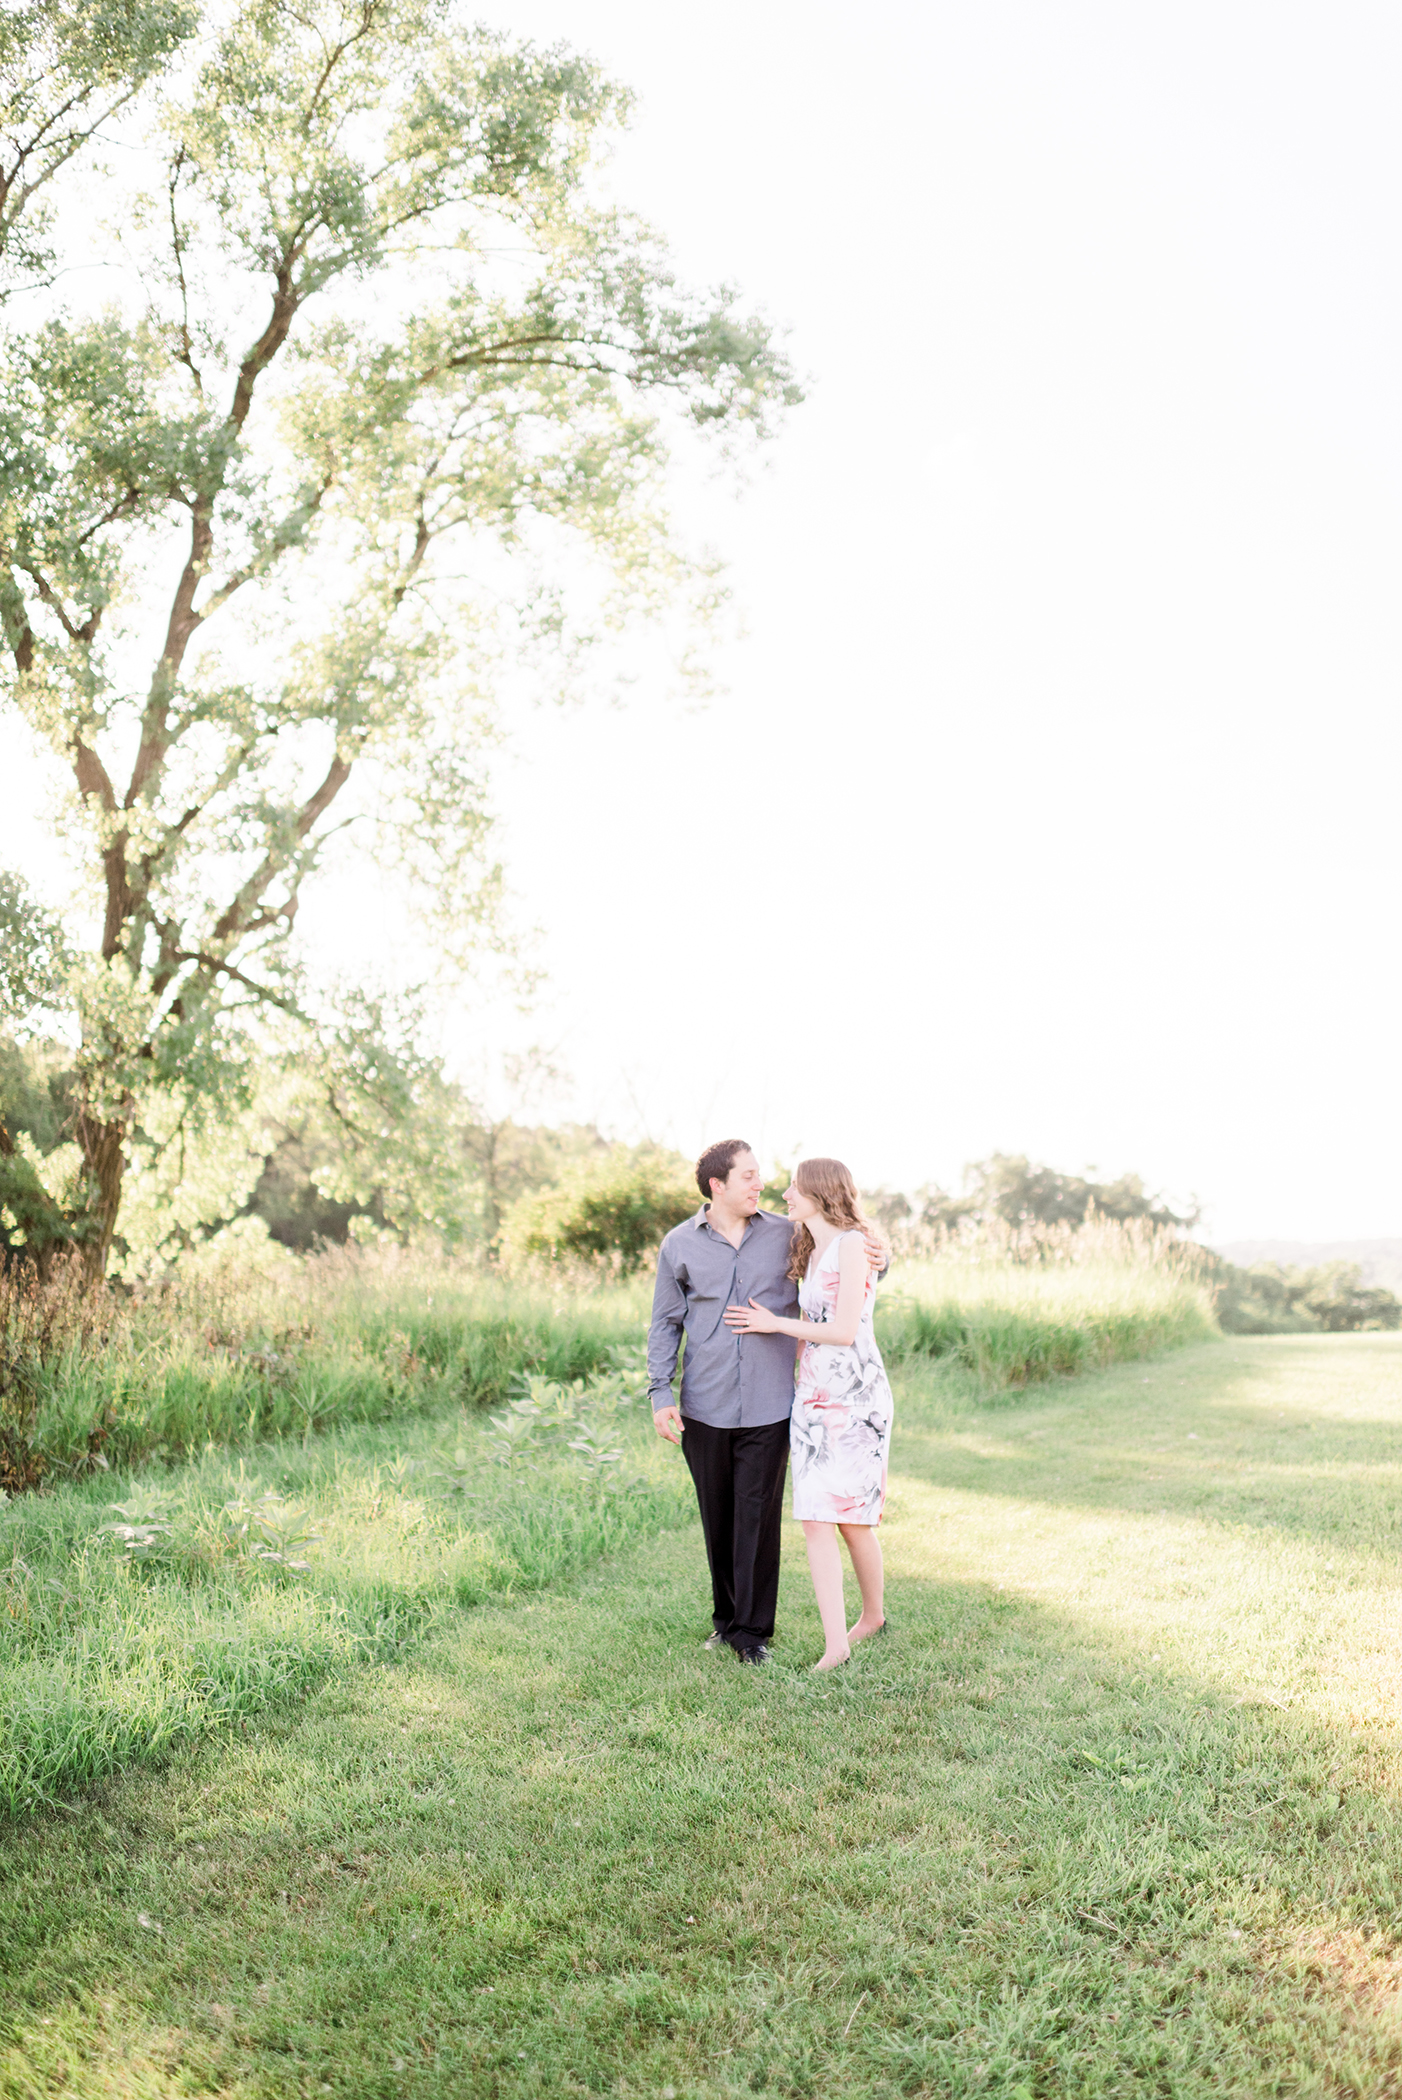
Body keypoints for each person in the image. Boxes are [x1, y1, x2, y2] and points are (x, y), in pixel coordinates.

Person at [648, 1139, 884, 1665]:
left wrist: (882, 1256)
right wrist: (660, 1392)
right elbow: (665, 1322)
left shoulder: (787, 1231)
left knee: (757, 1517)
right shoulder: (679, 1244)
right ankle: (725, 1620)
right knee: (719, 1516)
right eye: (749, 1176)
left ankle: (752, 1634)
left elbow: (848, 1261)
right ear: (718, 1185)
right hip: (703, 1402)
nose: (761, 1184)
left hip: (773, 1402)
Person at [723, 1157, 892, 1670]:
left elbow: (842, 1331)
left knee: (852, 1523)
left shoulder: (853, 1246)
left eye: (795, 1186)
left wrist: (774, 1324)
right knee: (815, 1519)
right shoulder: (812, 1249)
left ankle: (873, 1616)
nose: (786, 1194)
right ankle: (836, 1642)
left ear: (819, 1192)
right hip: (814, 1397)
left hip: (857, 1395)